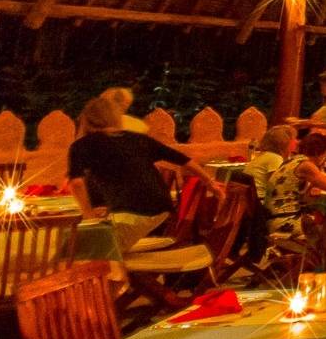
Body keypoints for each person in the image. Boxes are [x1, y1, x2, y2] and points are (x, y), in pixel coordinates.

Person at [67, 96, 222, 249]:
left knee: (83, 250)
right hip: (160, 207)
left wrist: (89, 217)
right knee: (93, 245)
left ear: (85, 120)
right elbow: (182, 159)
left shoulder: (81, 145)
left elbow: (76, 183)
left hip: (132, 214)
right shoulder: (137, 139)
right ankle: (117, 268)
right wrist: (210, 182)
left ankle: (117, 272)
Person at [274, 130, 326, 207]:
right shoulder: (306, 165)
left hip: (280, 211)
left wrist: (314, 187)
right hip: (285, 215)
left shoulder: (294, 160)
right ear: (317, 152)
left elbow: (304, 200)